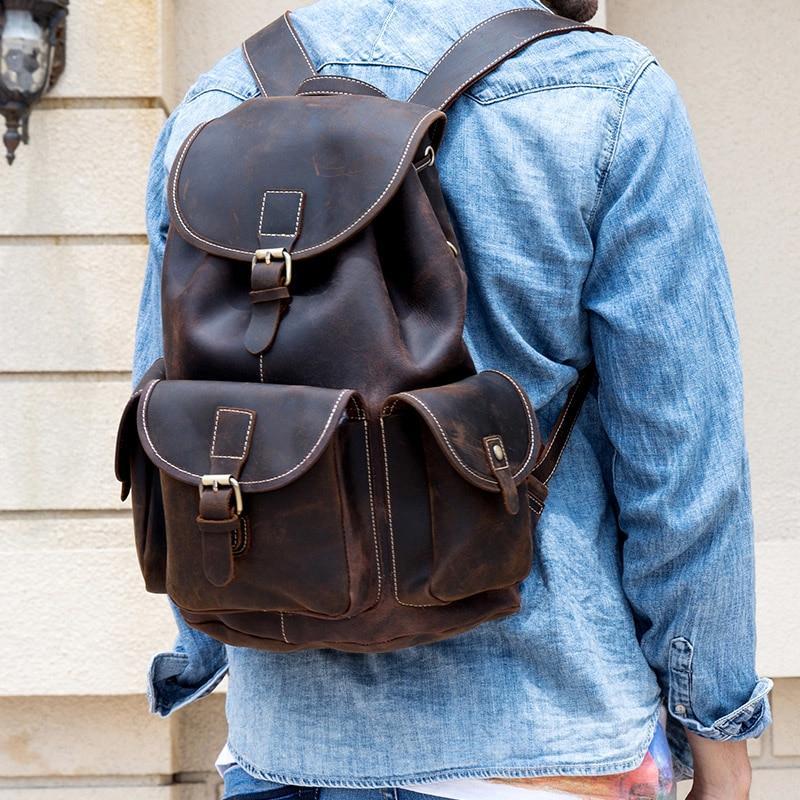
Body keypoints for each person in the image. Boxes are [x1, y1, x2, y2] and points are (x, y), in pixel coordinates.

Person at [133, 1, 772, 799]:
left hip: (286, 745)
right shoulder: (608, 97)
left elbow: (170, 426)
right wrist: (718, 730)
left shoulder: (221, 102)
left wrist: (204, 654)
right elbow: (684, 464)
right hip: (545, 741)